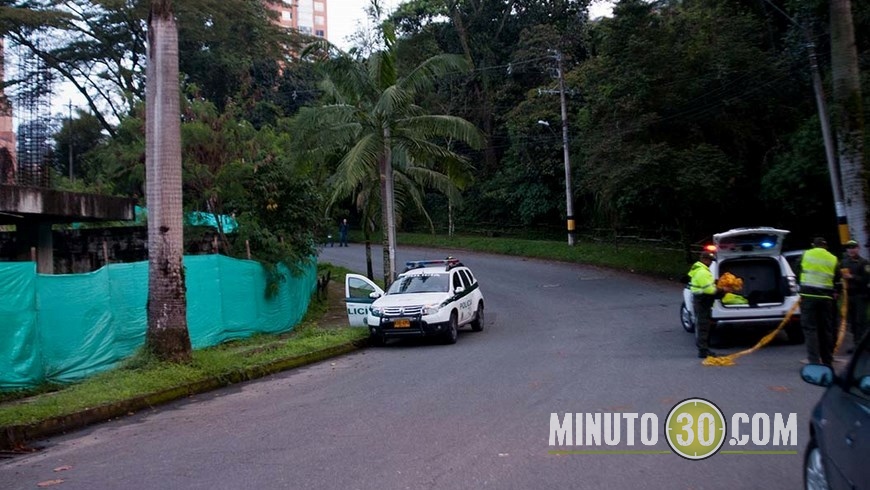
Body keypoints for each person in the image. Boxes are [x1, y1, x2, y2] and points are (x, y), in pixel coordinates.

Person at [798, 237, 842, 366]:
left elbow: (798, 269)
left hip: (809, 296)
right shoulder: (833, 258)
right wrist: (835, 291)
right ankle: (827, 360)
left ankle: (814, 361)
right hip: (826, 299)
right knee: (826, 330)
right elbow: (837, 278)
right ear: (825, 246)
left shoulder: (806, 254)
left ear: (813, 245)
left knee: (810, 329)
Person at [688, 251, 725, 358]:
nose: (711, 263)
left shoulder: (699, 270)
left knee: (703, 324)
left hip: (701, 300)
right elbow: (709, 290)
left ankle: (704, 348)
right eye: (710, 261)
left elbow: (707, 286)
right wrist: (722, 289)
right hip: (703, 300)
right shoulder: (702, 272)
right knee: (703, 325)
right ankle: (703, 350)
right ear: (704, 260)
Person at [841, 239, 870, 347]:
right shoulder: (844, 262)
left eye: (853, 247)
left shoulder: (864, 262)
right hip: (848, 296)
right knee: (852, 321)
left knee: (860, 321)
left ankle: (864, 345)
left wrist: (852, 277)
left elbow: (866, 279)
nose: (851, 250)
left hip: (860, 295)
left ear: (858, 248)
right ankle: (857, 344)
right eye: (849, 248)